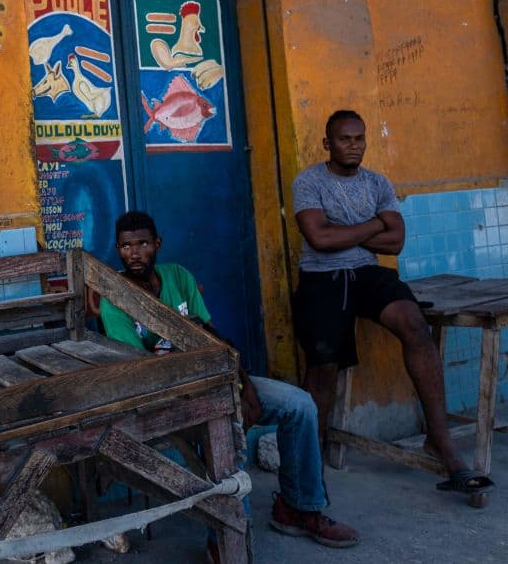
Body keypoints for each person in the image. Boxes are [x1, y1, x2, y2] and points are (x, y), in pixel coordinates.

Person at [93, 211, 359, 551]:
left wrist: (245, 387)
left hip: (221, 379)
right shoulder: (115, 298)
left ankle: (299, 508)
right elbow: (143, 373)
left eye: (142, 243)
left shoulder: (178, 276)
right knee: (224, 429)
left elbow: (215, 340)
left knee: (300, 405)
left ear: (157, 245)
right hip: (169, 398)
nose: (134, 253)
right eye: (126, 246)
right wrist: (227, 395)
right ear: (117, 249)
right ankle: (228, 538)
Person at [292, 109, 494, 496]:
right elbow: (320, 240)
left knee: (414, 323)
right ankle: (308, 463)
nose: (354, 146)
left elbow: (395, 242)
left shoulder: (378, 183)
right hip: (322, 278)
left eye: (359, 138)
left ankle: (441, 443)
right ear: (327, 144)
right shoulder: (309, 181)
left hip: (367, 275)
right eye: (345, 139)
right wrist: (371, 226)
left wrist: (344, 232)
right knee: (323, 365)